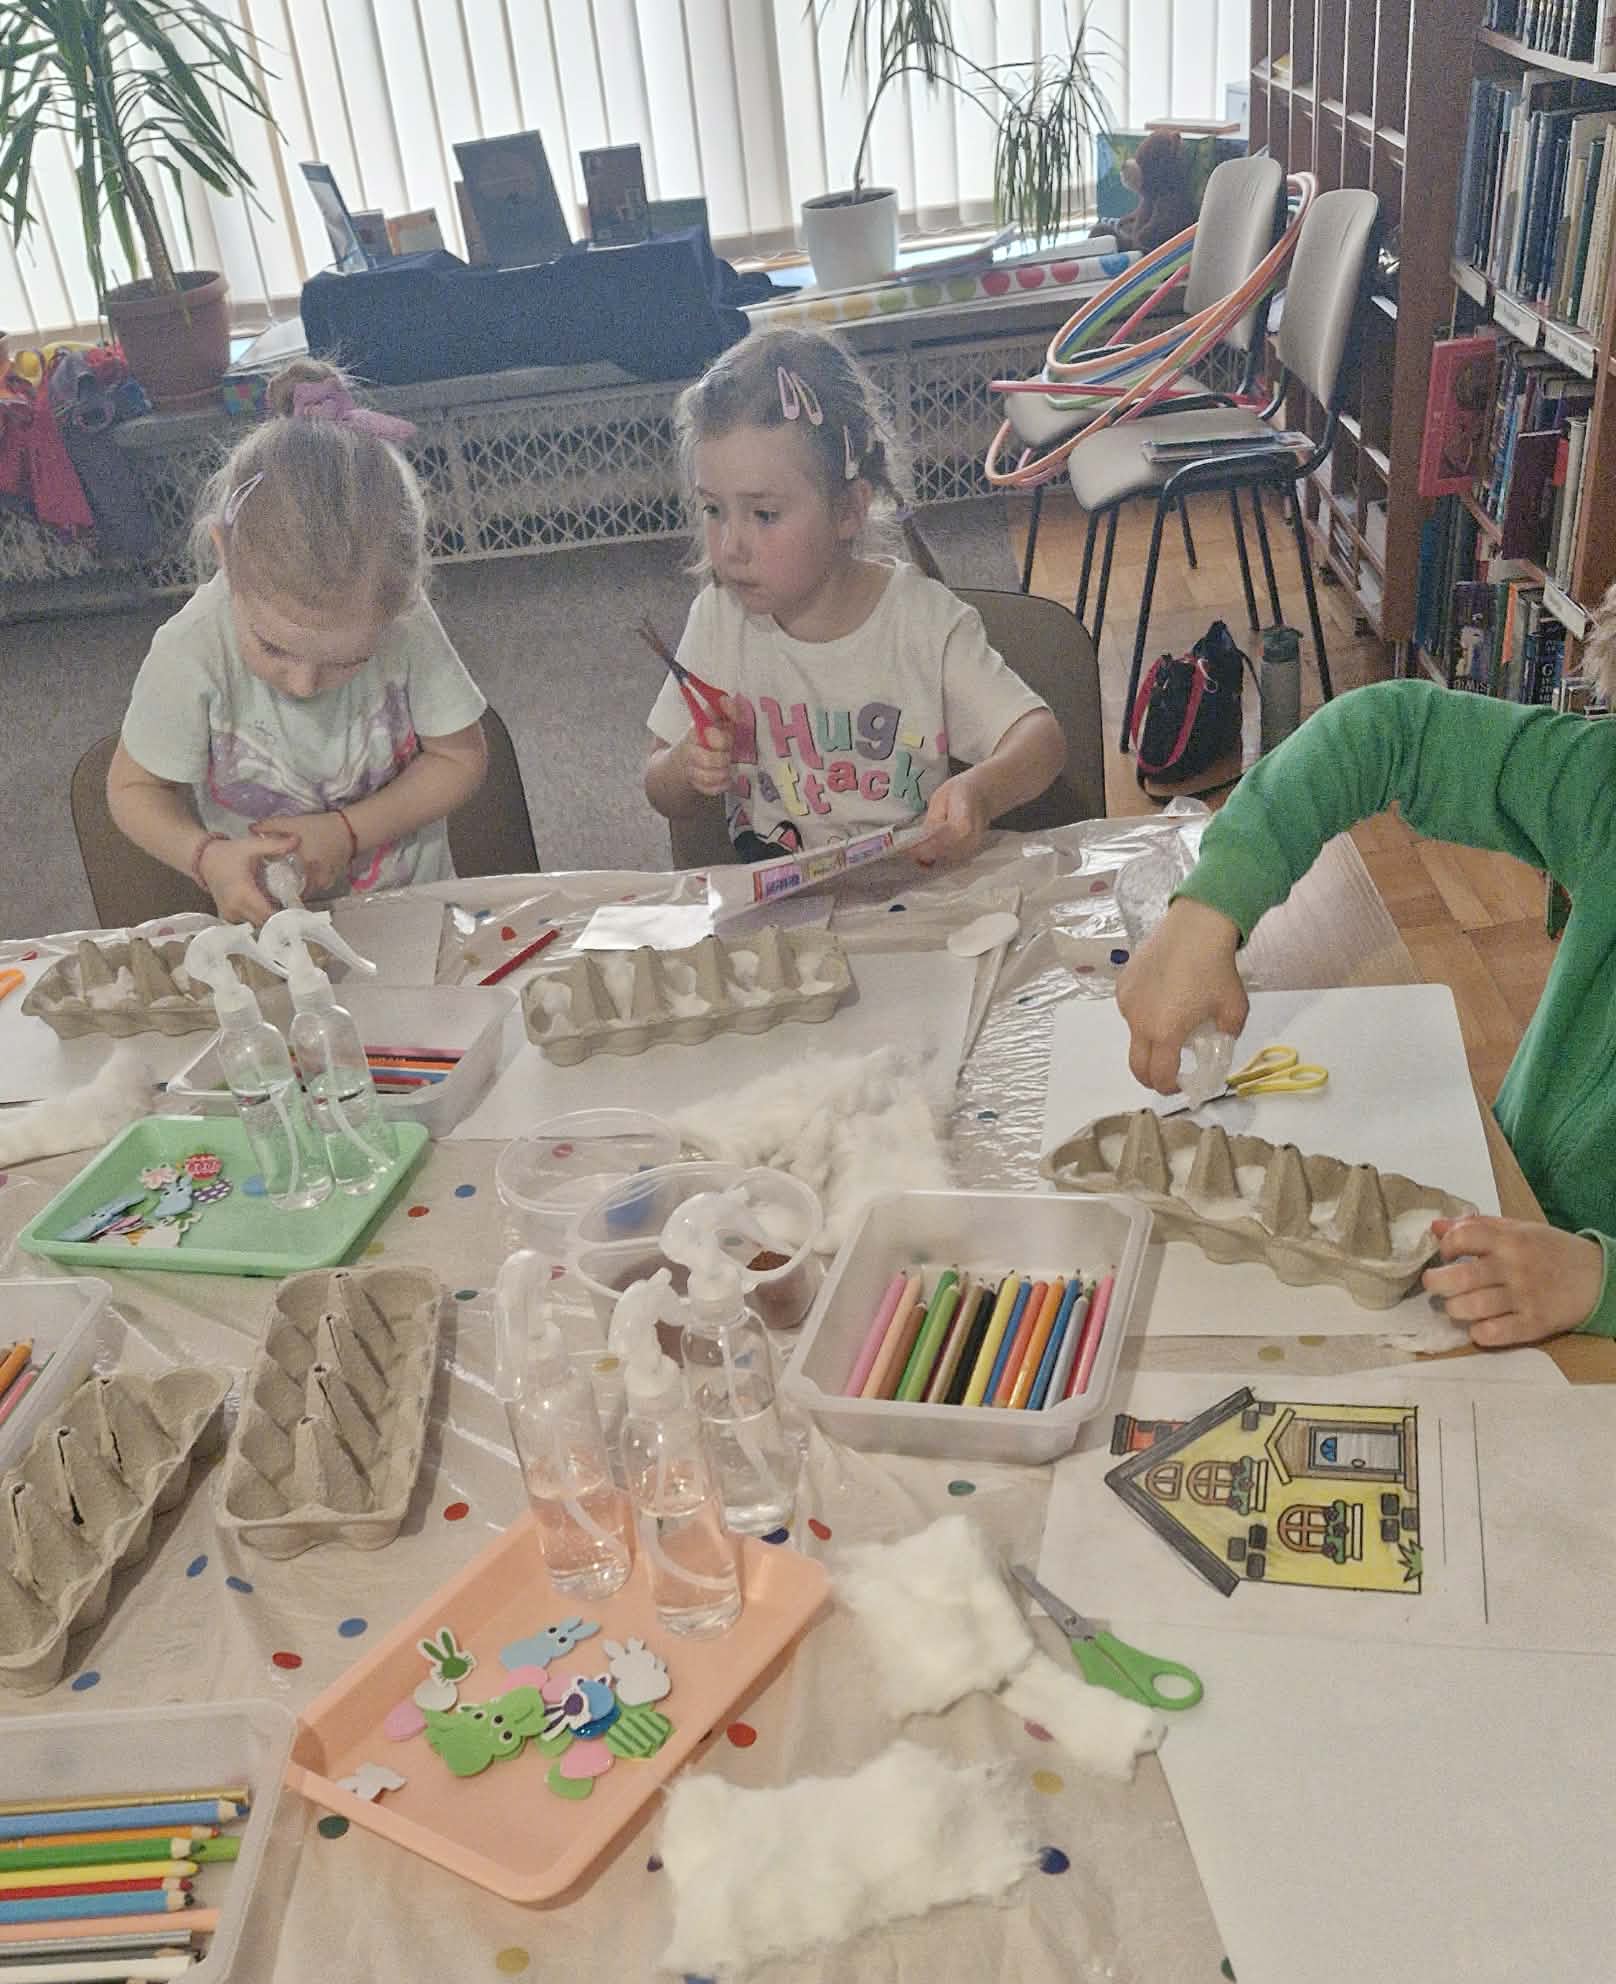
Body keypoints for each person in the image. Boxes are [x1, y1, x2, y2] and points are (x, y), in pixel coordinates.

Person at [1115, 665, 1616, 1346]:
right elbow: (1392, 732)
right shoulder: (1600, 787)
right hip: (1508, 1189)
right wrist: (1209, 907)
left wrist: (1597, 1281)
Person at [643, 326, 1065, 865]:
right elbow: (660, 787)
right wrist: (685, 766)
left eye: (764, 514)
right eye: (713, 509)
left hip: (913, 893)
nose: (730, 545)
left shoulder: (923, 623)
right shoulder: (718, 619)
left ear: (848, 510)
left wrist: (981, 791)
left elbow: (1041, 741)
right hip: (780, 903)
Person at [107, 358, 488, 926]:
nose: (305, 684)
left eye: (348, 661)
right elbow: (134, 787)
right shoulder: (191, 649)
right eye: (274, 648)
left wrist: (350, 830)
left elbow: (460, 757)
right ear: (224, 553)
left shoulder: (400, 617)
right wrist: (207, 857)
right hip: (271, 930)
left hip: (413, 913)